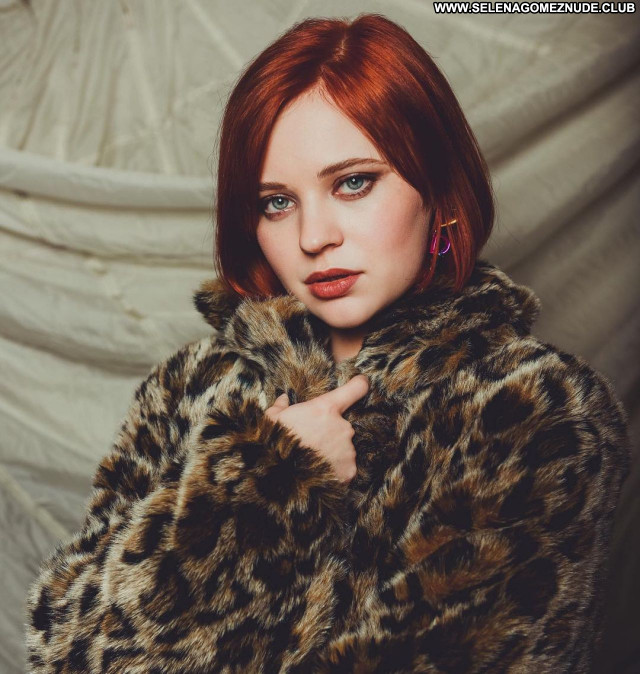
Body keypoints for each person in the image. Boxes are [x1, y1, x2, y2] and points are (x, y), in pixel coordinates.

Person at [26, 13, 630, 673]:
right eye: (276, 203)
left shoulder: (533, 411)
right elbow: (67, 652)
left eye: (353, 182)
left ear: (438, 190)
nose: (314, 237)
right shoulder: (194, 384)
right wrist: (261, 490)